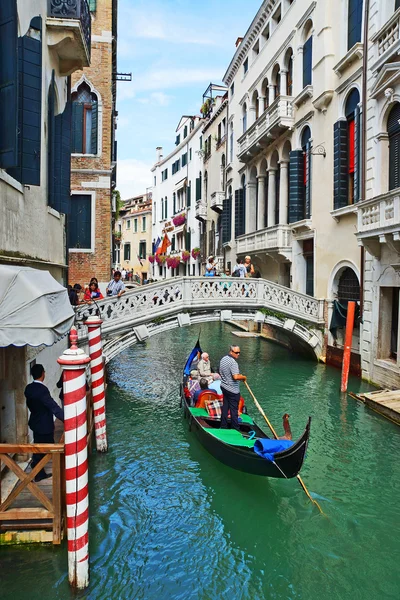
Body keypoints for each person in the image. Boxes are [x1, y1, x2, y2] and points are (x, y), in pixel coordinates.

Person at [24, 364, 64, 482]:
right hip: (44, 424)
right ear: (43, 373)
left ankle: (38, 469)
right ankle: (38, 471)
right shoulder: (42, 390)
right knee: (49, 448)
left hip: (35, 422)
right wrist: (66, 418)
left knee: (39, 445)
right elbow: (52, 406)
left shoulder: (28, 388)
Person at [219, 345, 246, 431]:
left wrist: (238, 376)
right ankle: (235, 429)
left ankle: (223, 426)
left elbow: (222, 371)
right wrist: (243, 377)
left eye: (239, 352)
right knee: (234, 411)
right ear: (231, 351)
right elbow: (235, 377)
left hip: (224, 387)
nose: (238, 354)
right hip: (233, 391)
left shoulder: (223, 359)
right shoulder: (233, 363)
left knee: (225, 407)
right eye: (236, 353)